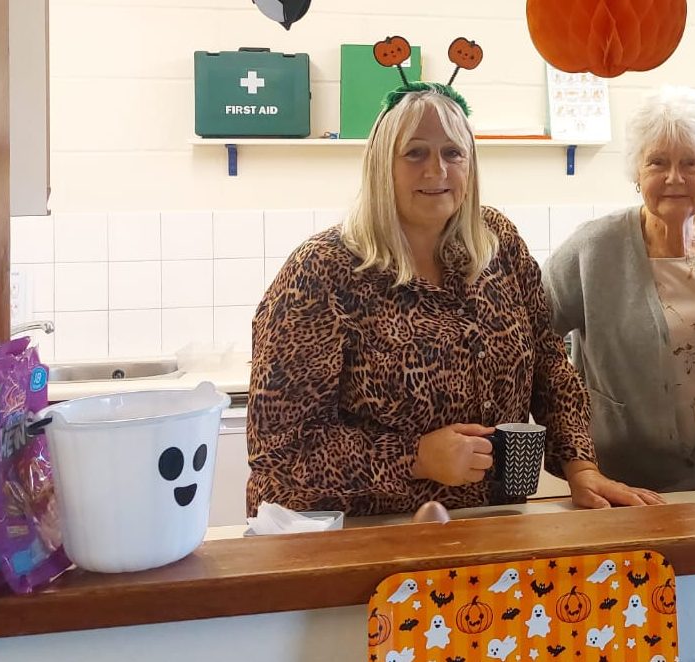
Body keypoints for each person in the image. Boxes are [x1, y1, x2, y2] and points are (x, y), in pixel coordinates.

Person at [247, 83, 663, 517]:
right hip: (356, 533)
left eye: (453, 153)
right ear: (381, 165)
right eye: (415, 153)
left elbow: (549, 364)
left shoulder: (497, 243)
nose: (437, 170)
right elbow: (278, 449)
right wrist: (416, 457)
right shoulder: (322, 270)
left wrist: (581, 468)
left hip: (486, 524)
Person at [543, 86, 695, 491]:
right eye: (658, 162)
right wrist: (568, 428)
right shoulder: (593, 249)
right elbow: (527, 335)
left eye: (691, 162)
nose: (674, 177)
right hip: (619, 484)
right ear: (637, 173)